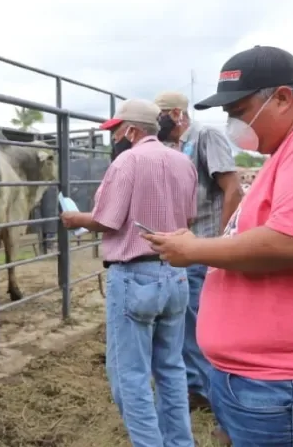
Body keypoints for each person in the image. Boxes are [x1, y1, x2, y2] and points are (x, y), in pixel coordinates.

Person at [143, 45, 293, 446]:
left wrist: (195, 250)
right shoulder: (285, 151)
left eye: (238, 111)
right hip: (252, 378)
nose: (232, 123)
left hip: (276, 383)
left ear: (282, 98)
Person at [61, 99, 198, 447]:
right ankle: (179, 442)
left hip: (135, 276)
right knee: (171, 368)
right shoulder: (183, 163)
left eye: (117, 131)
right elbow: (190, 219)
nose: (115, 138)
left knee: (129, 375)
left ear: (133, 130)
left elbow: (105, 220)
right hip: (175, 274)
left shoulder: (128, 161)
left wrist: (75, 219)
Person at [153, 91, 244, 413]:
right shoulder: (169, 147)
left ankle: (213, 395)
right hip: (185, 248)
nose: (157, 121)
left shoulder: (206, 136)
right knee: (186, 324)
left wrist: (219, 245)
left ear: (177, 113)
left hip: (203, 246)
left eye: (160, 114)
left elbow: (232, 189)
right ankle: (197, 387)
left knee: (198, 326)